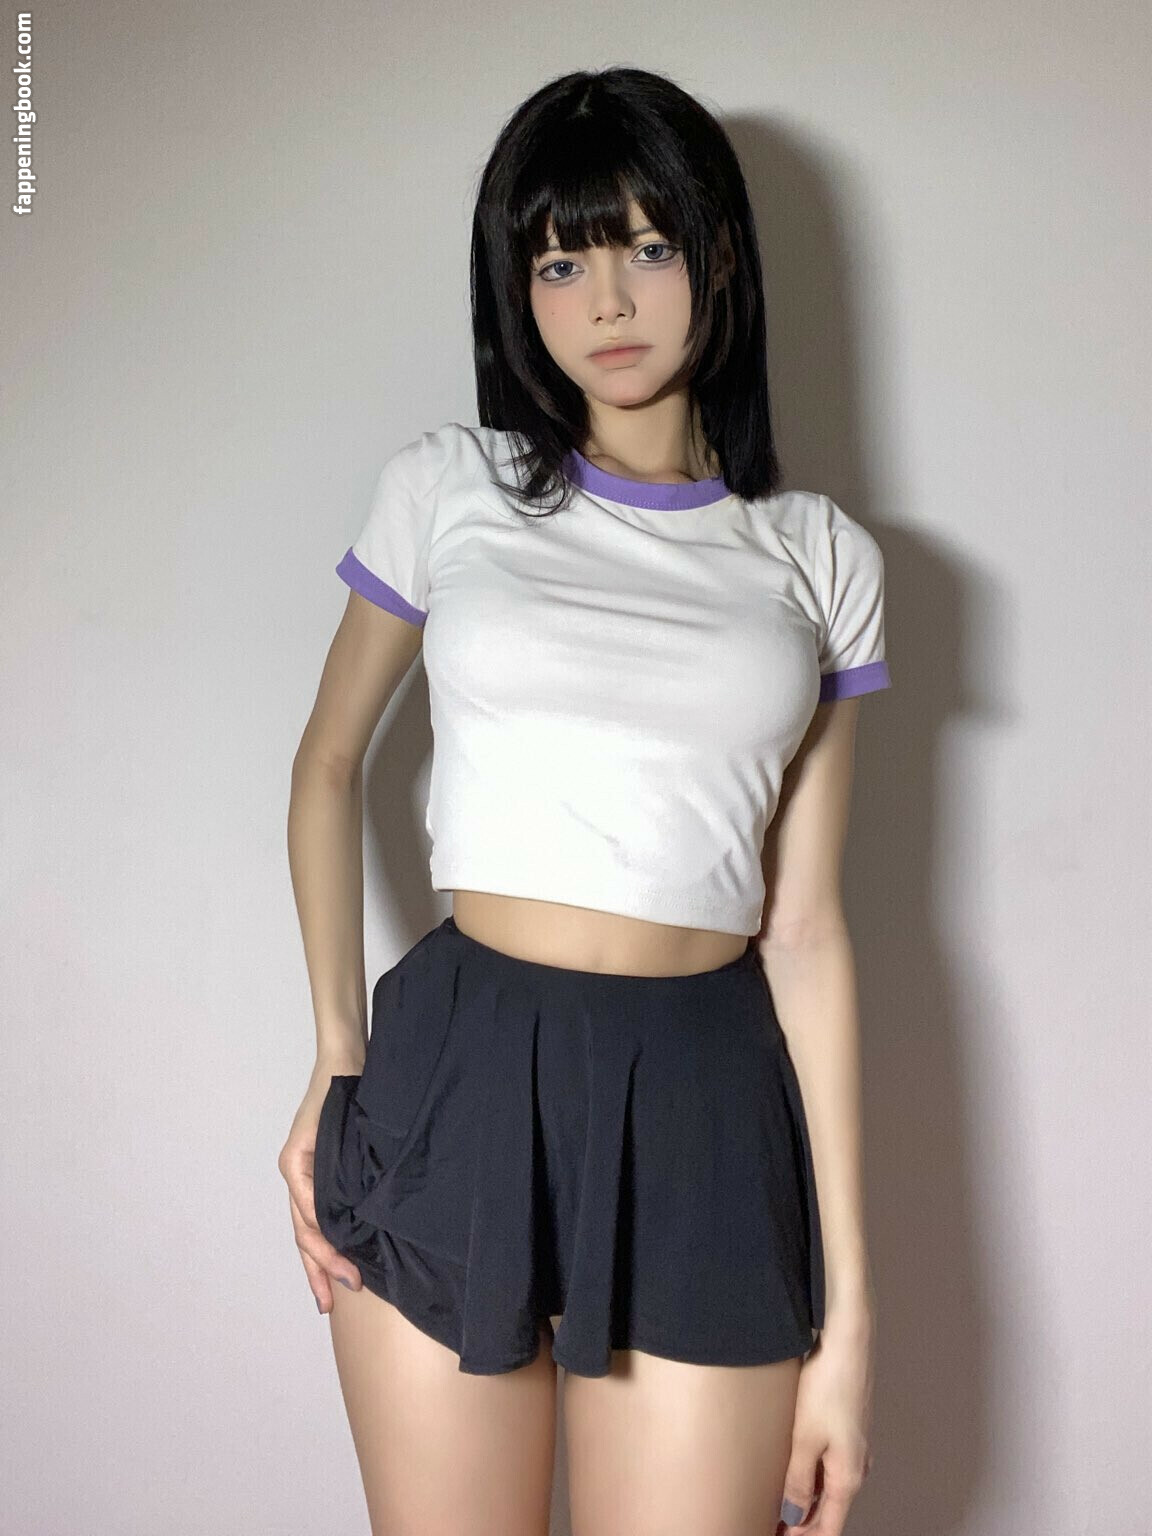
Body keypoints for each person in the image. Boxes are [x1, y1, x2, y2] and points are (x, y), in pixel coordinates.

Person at [282, 64, 885, 1536]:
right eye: (559, 262)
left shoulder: (817, 556)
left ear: (718, 258)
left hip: (705, 1100)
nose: (606, 300)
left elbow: (807, 928)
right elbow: (326, 764)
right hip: (457, 1077)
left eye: (647, 247)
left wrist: (850, 1322)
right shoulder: (451, 487)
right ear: (518, 292)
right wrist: (335, 1058)